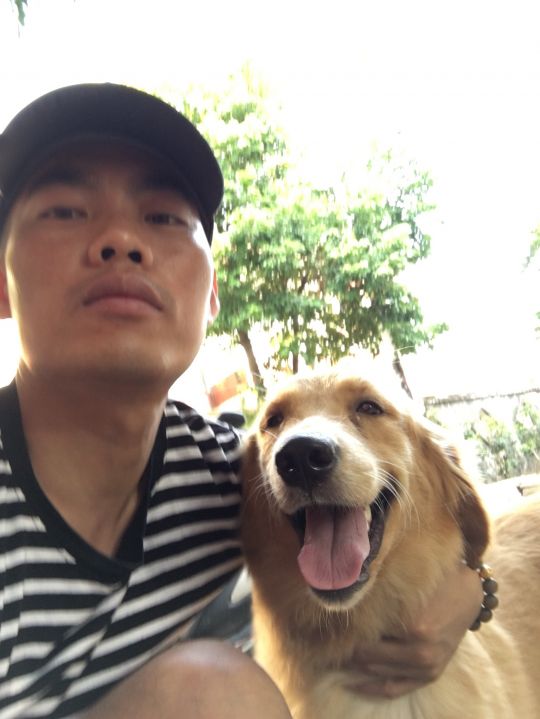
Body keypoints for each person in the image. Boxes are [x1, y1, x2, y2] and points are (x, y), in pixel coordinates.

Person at [0, 83, 483, 719]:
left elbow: (440, 514)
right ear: (3, 283)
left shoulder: (227, 475)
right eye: (65, 211)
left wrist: (476, 590)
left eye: (163, 217)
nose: (120, 238)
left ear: (210, 299)